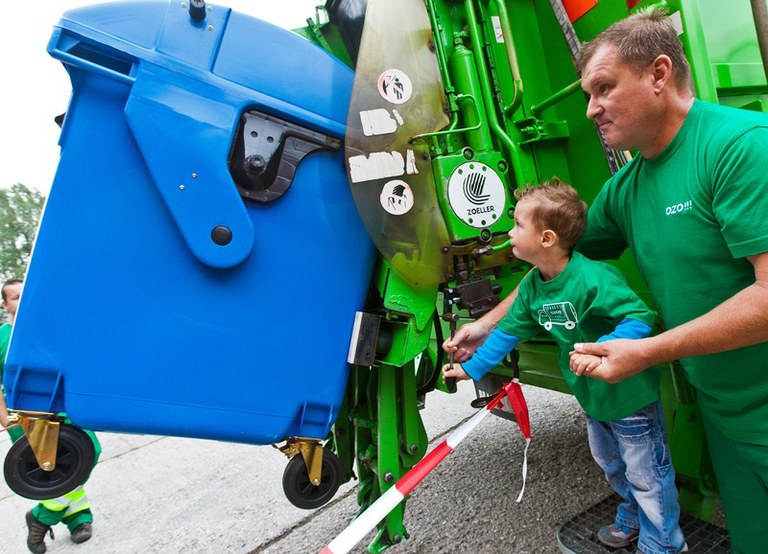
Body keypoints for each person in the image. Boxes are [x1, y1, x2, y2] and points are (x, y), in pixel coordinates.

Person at [446, 9, 768, 553]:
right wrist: (488, 321)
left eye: (602, 89)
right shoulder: (629, 186)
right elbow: (556, 264)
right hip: (723, 408)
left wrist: (645, 351)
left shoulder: (739, 147)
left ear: (659, 75)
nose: (591, 109)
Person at [443, 180, 685, 553]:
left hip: (629, 398)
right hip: (592, 398)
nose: (510, 232)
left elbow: (639, 316)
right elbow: (508, 331)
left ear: (547, 239)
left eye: (518, 225)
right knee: (611, 464)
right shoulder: (533, 288)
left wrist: (601, 349)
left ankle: (664, 543)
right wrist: (472, 369)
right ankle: (633, 515)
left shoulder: (594, 278)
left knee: (647, 475)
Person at [1, 278, 98, 554]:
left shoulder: (49, 329)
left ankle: (40, 517)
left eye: (26, 294)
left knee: (87, 453)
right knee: (52, 472)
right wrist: (4, 419)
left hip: (64, 410)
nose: (23, 300)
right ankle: (79, 518)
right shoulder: (2, 338)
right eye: (16, 297)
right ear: (6, 304)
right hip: (27, 417)